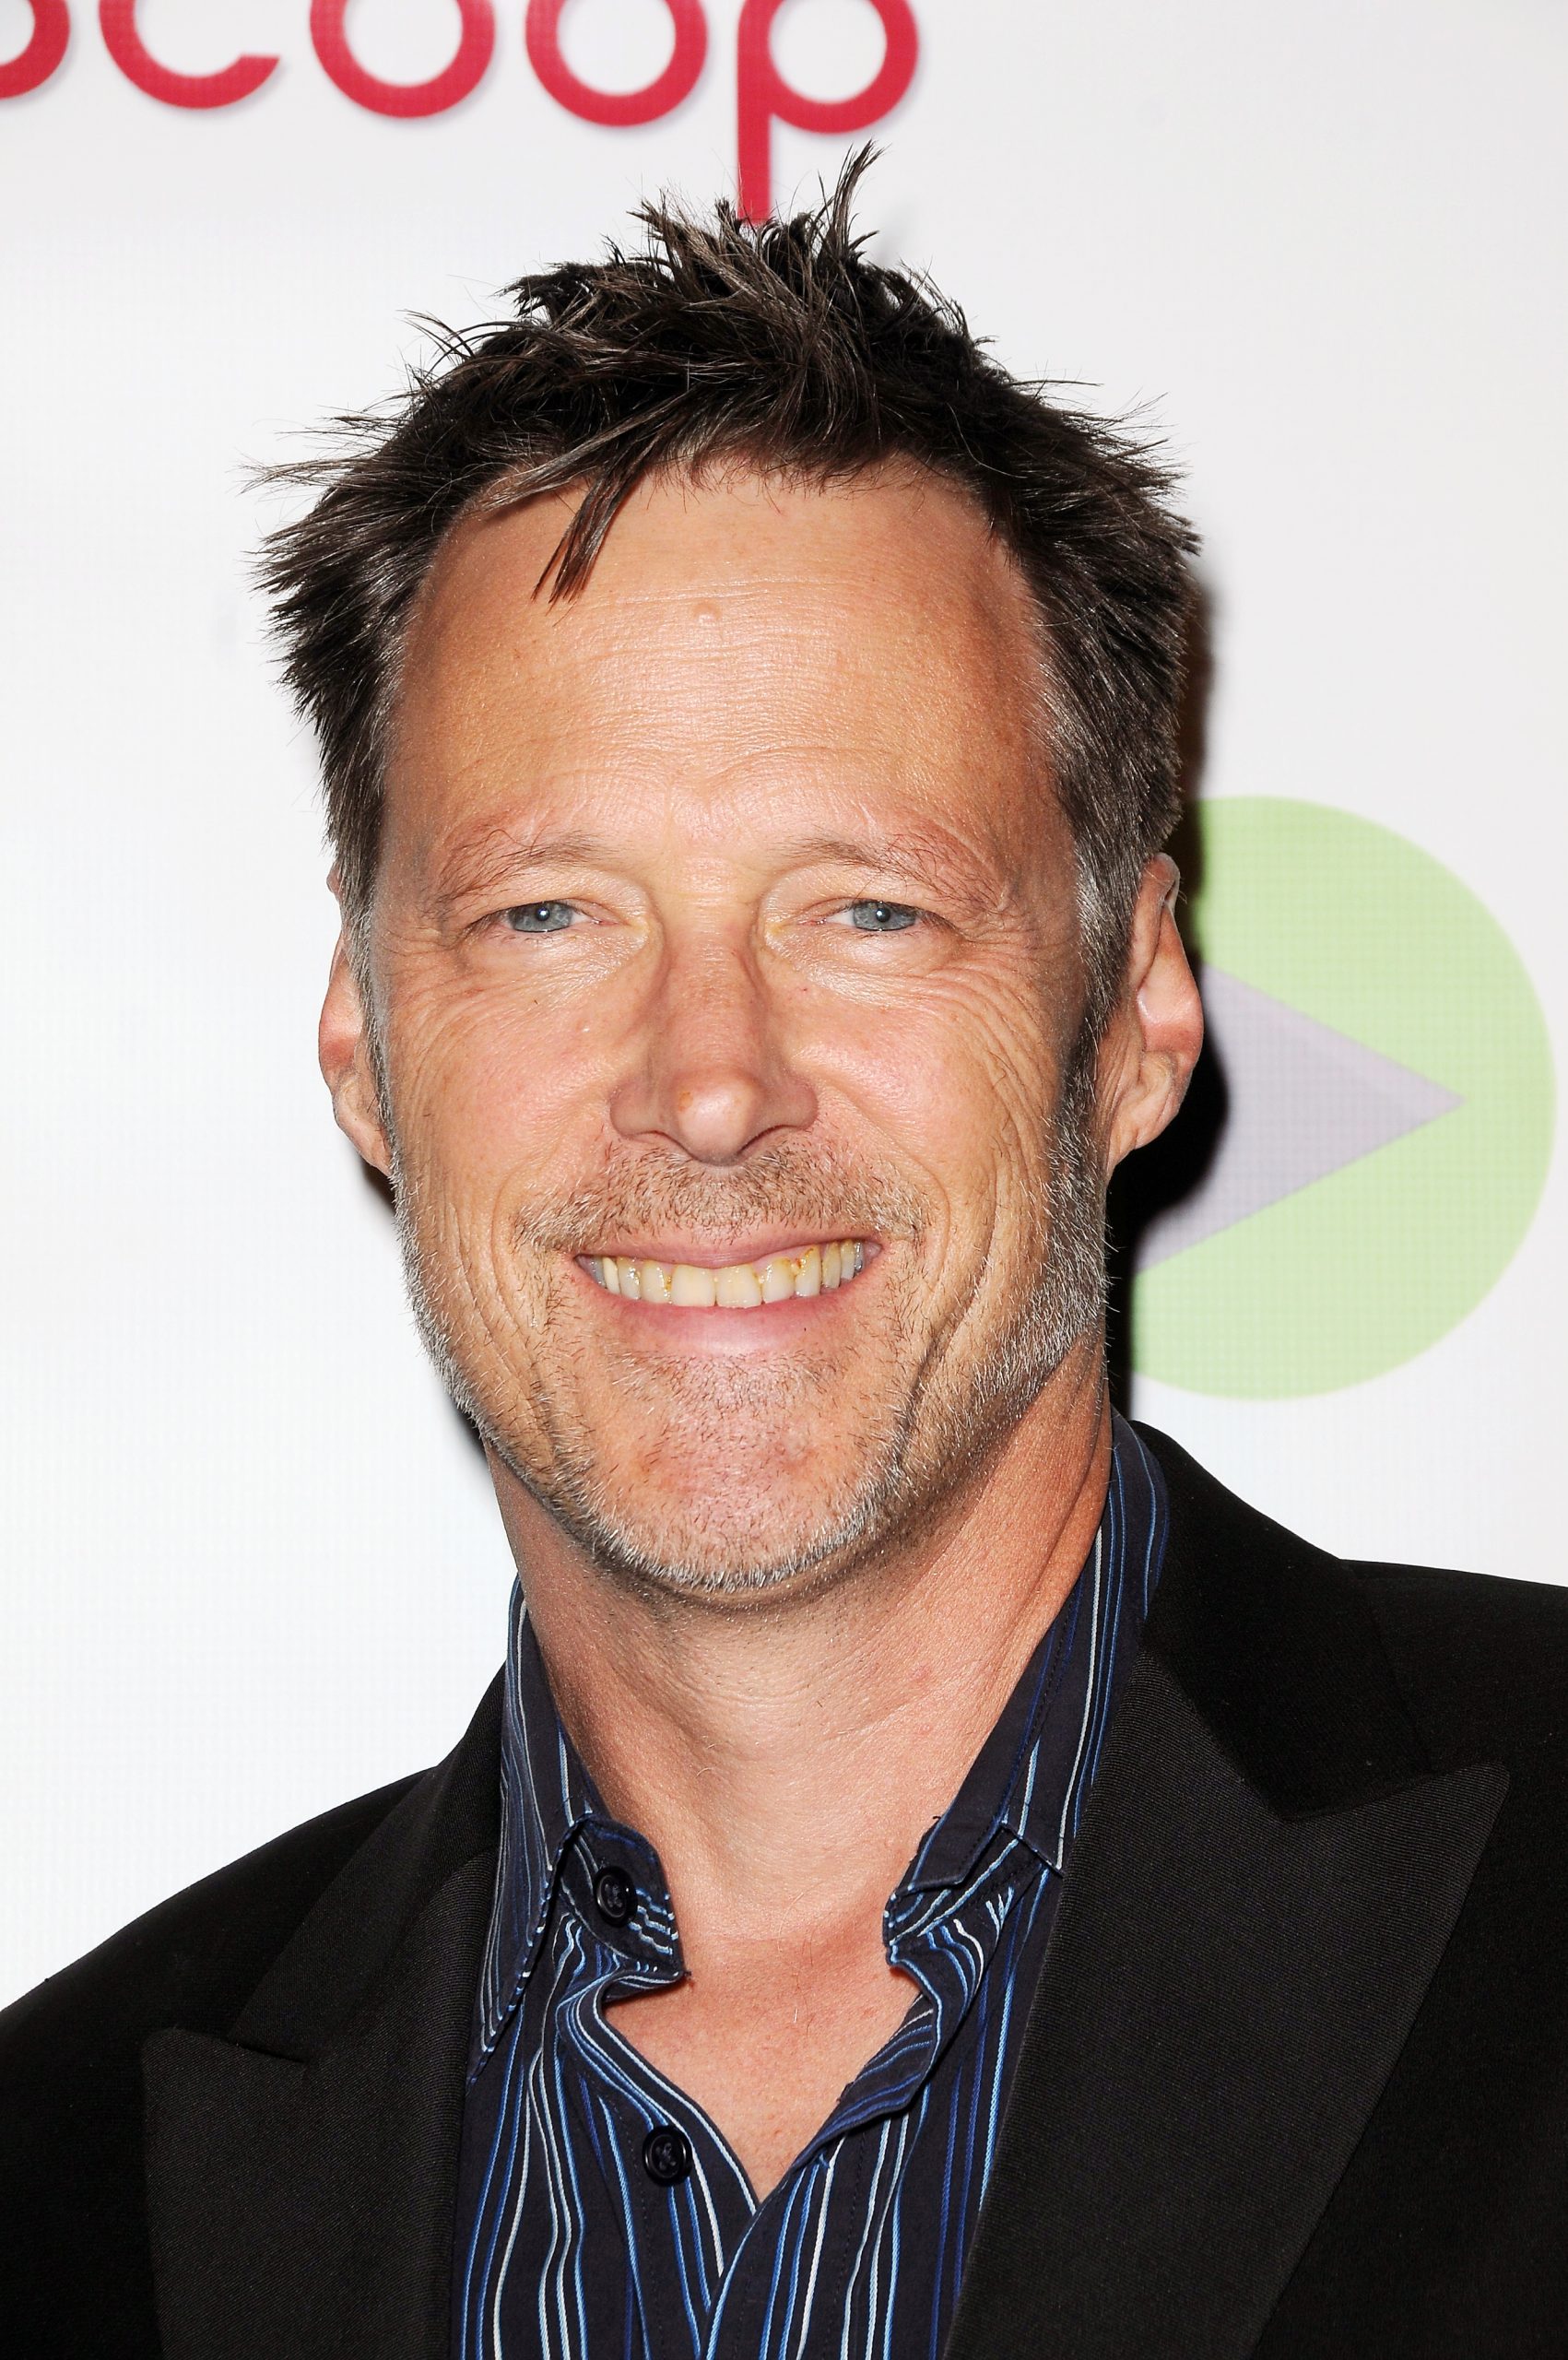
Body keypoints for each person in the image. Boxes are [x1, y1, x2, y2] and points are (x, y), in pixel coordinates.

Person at [4, 162, 1565, 2360]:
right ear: (364, 1041)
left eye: (868, 908)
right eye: (551, 913)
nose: (711, 1083)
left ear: (1133, 1013)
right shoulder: (58, 2178)